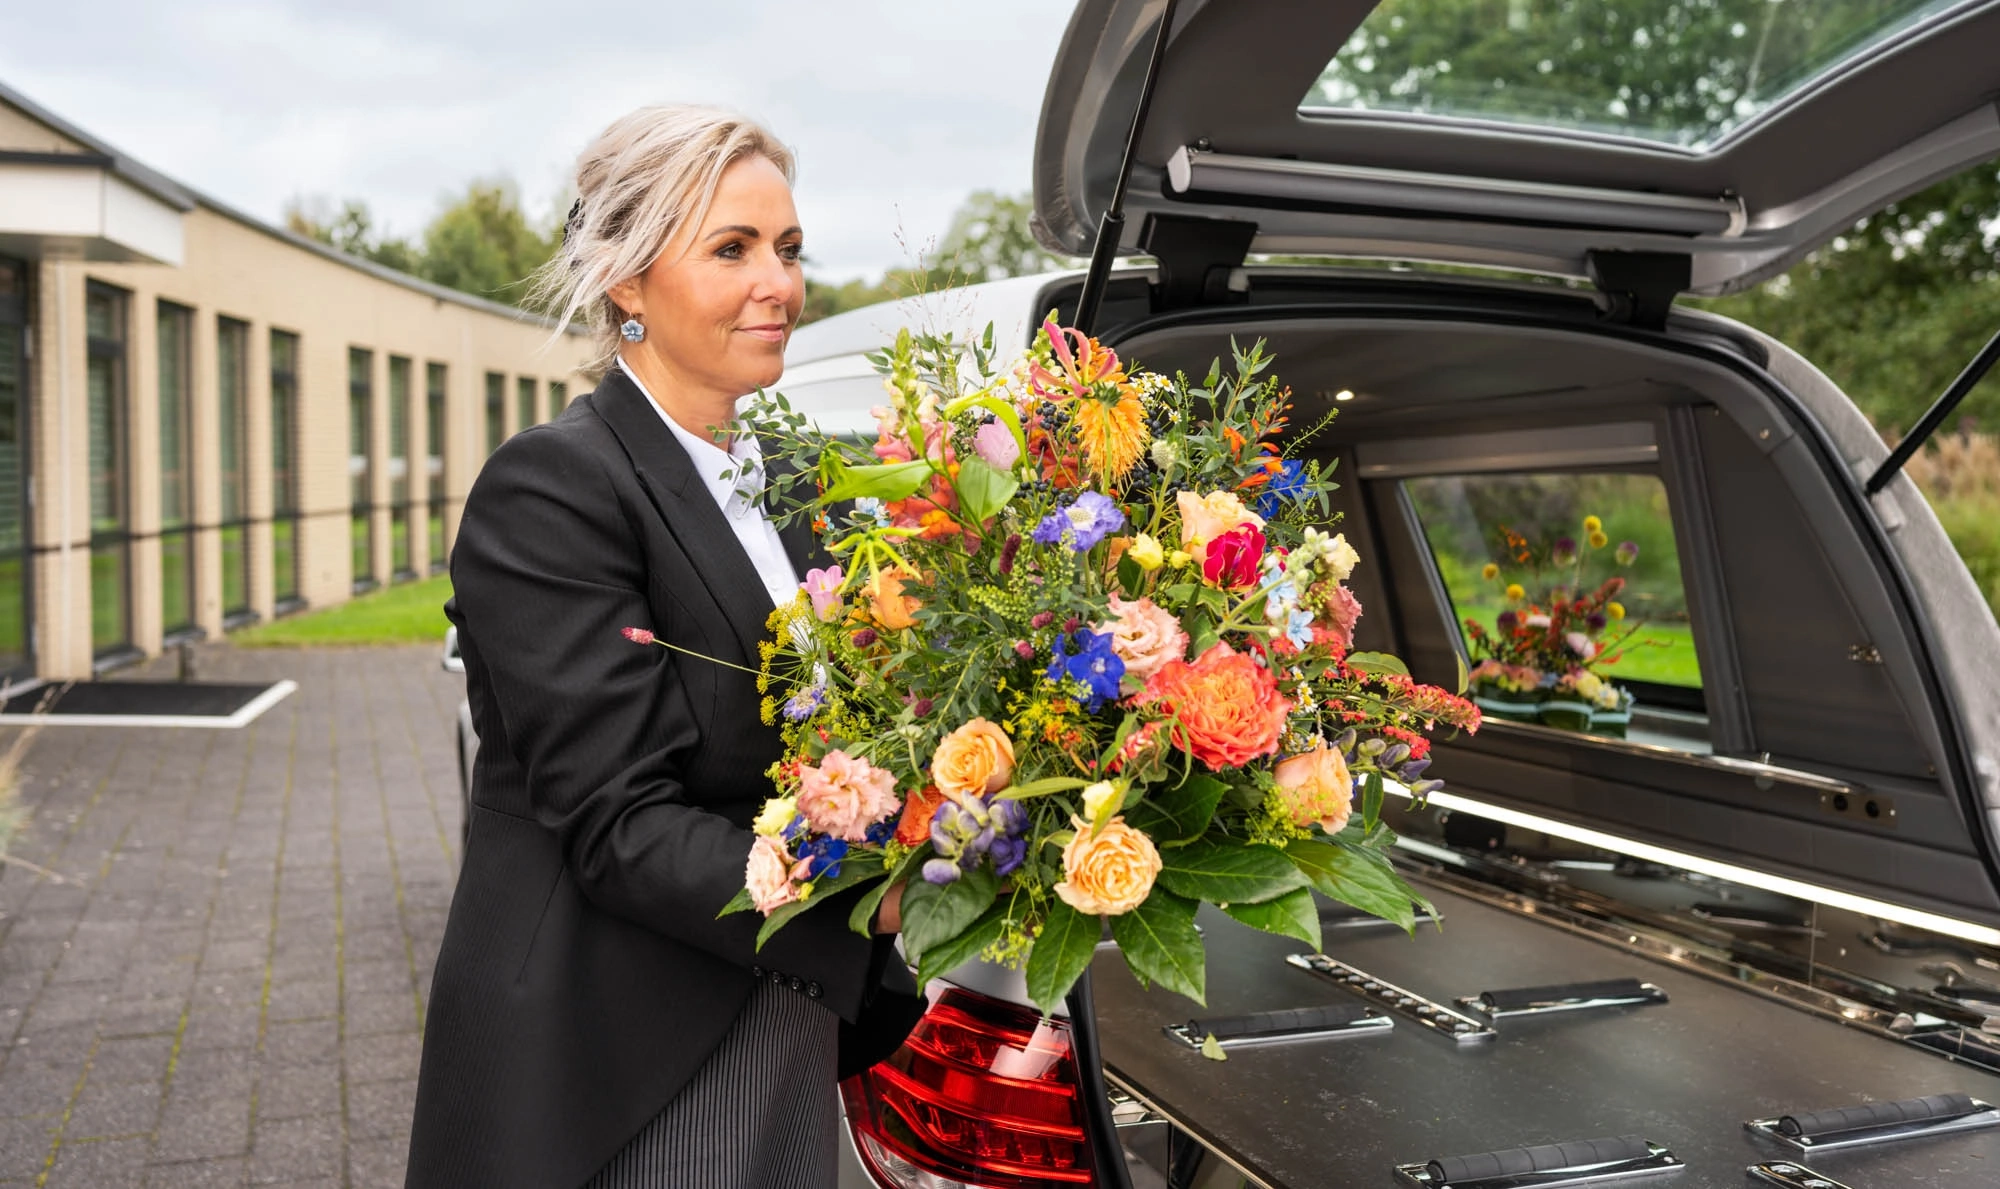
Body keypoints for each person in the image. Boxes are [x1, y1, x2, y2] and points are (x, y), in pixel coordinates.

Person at [404, 105, 923, 1189]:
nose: (776, 283)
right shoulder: (554, 486)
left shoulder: (789, 480)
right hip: (626, 1043)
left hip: (786, 996)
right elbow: (618, 825)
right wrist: (870, 894)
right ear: (626, 282)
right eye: (729, 249)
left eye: (787, 249)